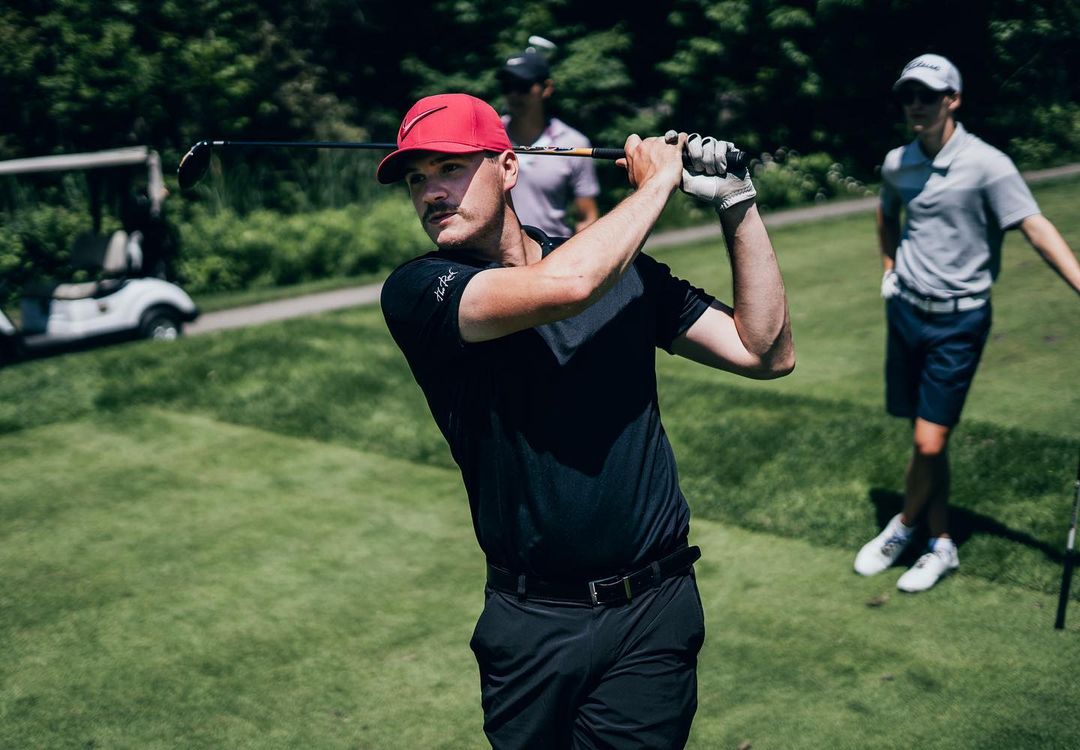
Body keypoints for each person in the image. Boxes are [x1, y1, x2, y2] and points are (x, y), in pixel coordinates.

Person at [377, 93, 794, 748]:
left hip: (655, 611)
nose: (431, 192)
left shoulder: (624, 273)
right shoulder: (421, 290)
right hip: (533, 622)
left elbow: (765, 351)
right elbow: (563, 287)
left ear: (508, 167)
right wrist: (657, 183)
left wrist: (737, 201)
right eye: (415, 178)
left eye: (449, 168)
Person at [854, 54, 1080, 593]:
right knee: (927, 436)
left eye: (927, 96)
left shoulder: (989, 165)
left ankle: (904, 526)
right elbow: (887, 213)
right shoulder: (897, 162)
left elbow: (1035, 227)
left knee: (929, 444)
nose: (916, 105)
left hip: (960, 322)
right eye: (908, 95)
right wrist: (889, 268)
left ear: (952, 99)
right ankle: (942, 542)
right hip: (907, 312)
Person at [497, 49, 600, 236]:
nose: (514, 94)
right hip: (499, 261)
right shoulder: (489, 137)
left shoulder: (575, 143)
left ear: (547, 88)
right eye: (507, 86)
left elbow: (587, 217)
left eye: (522, 86)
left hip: (553, 257)